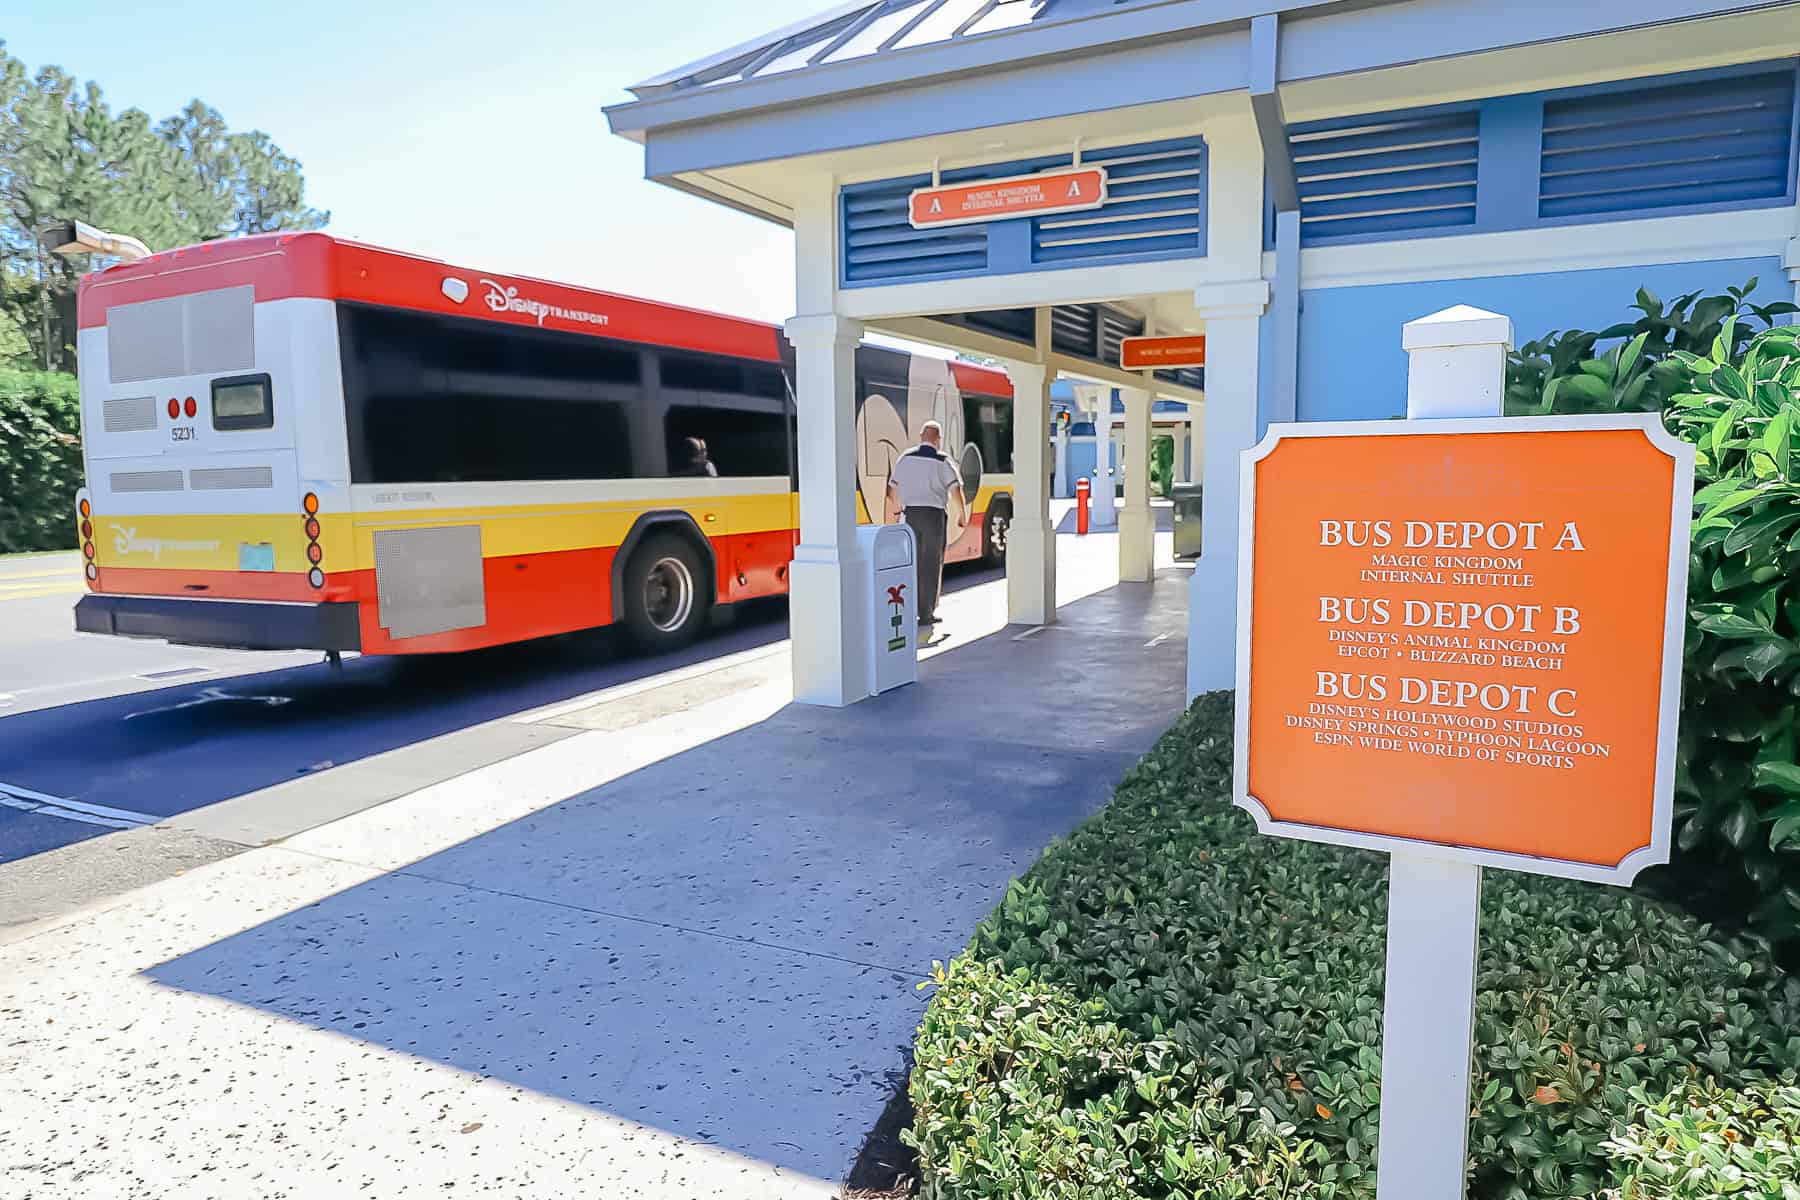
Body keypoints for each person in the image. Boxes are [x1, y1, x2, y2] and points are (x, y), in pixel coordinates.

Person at [886, 420, 966, 630]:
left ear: (921, 436)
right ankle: (926, 613)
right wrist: (962, 514)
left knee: (911, 562)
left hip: (910, 514)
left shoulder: (905, 459)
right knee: (930, 564)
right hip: (933, 516)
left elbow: (891, 490)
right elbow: (955, 489)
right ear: (938, 439)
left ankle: (907, 608)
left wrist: (896, 511)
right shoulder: (943, 460)